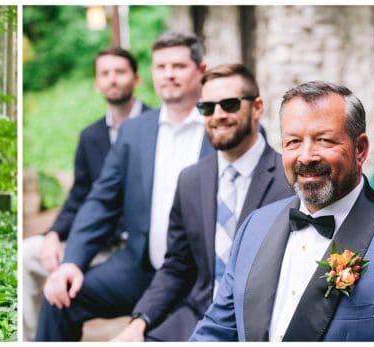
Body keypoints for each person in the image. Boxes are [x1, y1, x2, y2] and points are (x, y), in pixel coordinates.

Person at [189, 81, 374, 341]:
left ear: (361, 149)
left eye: (324, 140)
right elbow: (217, 331)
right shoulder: (254, 227)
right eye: (293, 142)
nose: (306, 156)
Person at [36, 31, 215, 341]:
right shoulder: (135, 131)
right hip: (141, 268)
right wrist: (72, 262)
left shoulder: (222, 127)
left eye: (179, 66)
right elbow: (100, 201)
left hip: (201, 280)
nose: (168, 74)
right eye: (161, 67)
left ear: (201, 71)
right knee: (59, 300)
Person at [113, 64, 293, 341]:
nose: (218, 115)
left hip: (262, 326)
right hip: (197, 317)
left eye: (230, 104)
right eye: (207, 108)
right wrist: (139, 321)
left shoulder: (290, 180)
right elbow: (176, 266)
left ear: (257, 107)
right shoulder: (190, 180)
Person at [22, 47, 155, 341]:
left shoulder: (158, 126)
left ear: (136, 78)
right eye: (105, 73)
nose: (112, 79)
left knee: (65, 295)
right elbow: (80, 195)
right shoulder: (90, 136)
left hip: (143, 247)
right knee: (28, 253)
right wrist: (54, 234)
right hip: (101, 243)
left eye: (120, 72)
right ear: (97, 83)